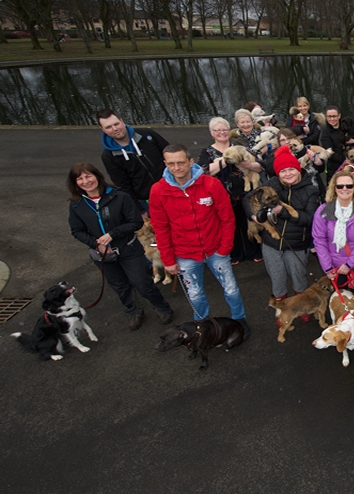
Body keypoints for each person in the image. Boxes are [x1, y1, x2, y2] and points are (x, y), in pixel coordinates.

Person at [149, 144, 249, 337]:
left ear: (190, 162)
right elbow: (160, 228)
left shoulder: (211, 184)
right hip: (185, 254)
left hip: (216, 251)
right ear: (165, 164)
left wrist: (225, 247)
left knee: (231, 289)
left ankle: (239, 319)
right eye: (171, 164)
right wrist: (168, 260)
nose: (176, 168)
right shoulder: (158, 191)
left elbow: (227, 218)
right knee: (195, 294)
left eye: (181, 162)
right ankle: (202, 324)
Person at [67, 163, 173, 330]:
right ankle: (134, 312)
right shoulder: (76, 205)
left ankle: (162, 307)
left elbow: (136, 222)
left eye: (88, 176)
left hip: (128, 249)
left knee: (142, 282)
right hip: (103, 255)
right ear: (75, 183)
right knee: (120, 287)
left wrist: (112, 234)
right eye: (80, 178)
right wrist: (96, 244)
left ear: (97, 176)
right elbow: (77, 230)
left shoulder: (119, 196)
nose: (86, 181)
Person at [244, 145, 319, 314]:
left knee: (299, 279)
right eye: (283, 171)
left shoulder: (311, 190)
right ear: (277, 173)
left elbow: (309, 219)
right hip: (271, 244)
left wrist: (282, 212)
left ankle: (301, 309)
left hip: (297, 245)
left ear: (298, 169)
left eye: (292, 169)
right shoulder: (272, 184)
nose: (288, 174)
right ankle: (282, 310)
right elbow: (248, 198)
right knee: (277, 281)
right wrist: (254, 217)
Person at [197, 117, 263, 264]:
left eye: (225, 129)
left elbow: (259, 165)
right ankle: (235, 253)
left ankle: (255, 251)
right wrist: (226, 159)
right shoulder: (207, 152)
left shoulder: (240, 146)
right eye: (218, 130)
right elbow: (203, 172)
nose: (222, 133)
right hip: (222, 195)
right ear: (211, 133)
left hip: (245, 192)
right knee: (228, 225)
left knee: (249, 221)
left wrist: (247, 164)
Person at [312, 170, 354, 308]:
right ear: (334, 189)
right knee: (339, 302)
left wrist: (348, 265)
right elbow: (319, 240)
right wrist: (327, 267)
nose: (344, 189)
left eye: (349, 186)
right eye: (340, 186)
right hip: (334, 267)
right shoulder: (323, 211)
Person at [97, 108, 170, 212]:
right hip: (147, 200)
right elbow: (123, 185)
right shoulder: (109, 156)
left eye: (116, 124)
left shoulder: (147, 134)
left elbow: (171, 154)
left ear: (122, 121)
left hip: (171, 190)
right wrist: (139, 210)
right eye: (108, 127)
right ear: (102, 129)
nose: (115, 129)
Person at [319, 105, 349, 174]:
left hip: (351, 163)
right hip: (334, 168)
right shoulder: (325, 132)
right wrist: (345, 159)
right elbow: (329, 152)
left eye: (334, 116)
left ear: (339, 116)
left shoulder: (347, 127)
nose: (332, 119)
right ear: (326, 117)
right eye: (329, 116)